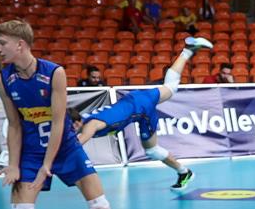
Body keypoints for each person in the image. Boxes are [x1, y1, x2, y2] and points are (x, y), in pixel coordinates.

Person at [0, 19, 119, 209]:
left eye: (2, 43)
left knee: (99, 205)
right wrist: (13, 164)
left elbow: (59, 122)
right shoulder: (3, 79)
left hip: (65, 147)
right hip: (31, 151)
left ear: (20, 44)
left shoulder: (54, 73)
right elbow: (14, 124)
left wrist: (47, 165)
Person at [70, 38, 211, 191]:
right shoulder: (82, 120)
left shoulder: (90, 125)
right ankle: (188, 50)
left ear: (77, 123)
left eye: (69, 127)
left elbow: (77, 144)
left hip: (141, 109)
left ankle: (185, 172)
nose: (68, 129)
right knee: (170, 87)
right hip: (134, 98)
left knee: (152, 150)